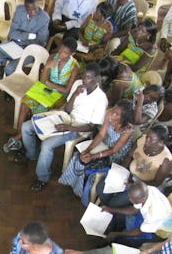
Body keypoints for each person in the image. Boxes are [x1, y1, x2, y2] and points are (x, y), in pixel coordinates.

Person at [20, 62, 108, 191]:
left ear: (97, 79)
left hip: (78, 128)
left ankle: (42, 178)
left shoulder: (101, 99)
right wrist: (74, 95)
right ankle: (32, 154)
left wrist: (69, 128)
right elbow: (67, 109)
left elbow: (92, 127)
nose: (84, 79)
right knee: (26, 127)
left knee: (47, 145)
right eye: (84, 75)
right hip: (65, 117)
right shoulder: (78, 84)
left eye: (89, 77)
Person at [5, 37, 80, 153]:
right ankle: (21, 137)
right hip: (45, 88)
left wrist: (50, 83)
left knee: (41, 110)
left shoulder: (74, 67)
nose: (60, 54)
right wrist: (47, 68)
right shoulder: (52, 58)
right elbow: (42, 81)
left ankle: (19, 138)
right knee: (24, 105)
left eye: (65, 53)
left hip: (59, 95)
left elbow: (66, 90)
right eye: (60, 50)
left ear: (72, 54)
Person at [59, 99, 135, 199]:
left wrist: (93, 156)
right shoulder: (109, 115)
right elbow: (101, 134)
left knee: (89, 165)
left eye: (117, 114)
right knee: (79, 157)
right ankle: (73, 184)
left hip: (115, 155)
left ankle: (82, 190)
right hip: (104, 145)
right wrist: (88, 150)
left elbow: (114, 151)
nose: (113, 114)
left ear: (124, 118)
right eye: (113, 110)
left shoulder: (127, 130)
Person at [0, 0, 50, 88]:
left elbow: (41, 41)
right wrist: (30, 35)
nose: (33, 12)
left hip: (31, 49)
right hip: (15, 44)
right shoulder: (19, 10)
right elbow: (12, 33)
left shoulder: (44, 18)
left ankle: (8, 88)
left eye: (36, 9)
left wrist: (21, 35)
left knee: (10, 68)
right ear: (25, 8)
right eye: (30, 10)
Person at [99, 181, 172, 246]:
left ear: (142, 198)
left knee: (127, 241)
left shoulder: (154, 214)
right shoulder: (148, 190)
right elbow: (134, 210)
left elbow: (139, 231)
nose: (130, 200)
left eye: (132, 199)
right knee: (120, 217)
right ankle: (113, 234)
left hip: (161, 231)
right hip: (154, 219)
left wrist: (117, 234)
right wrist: (110, 209)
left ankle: (114, 242)